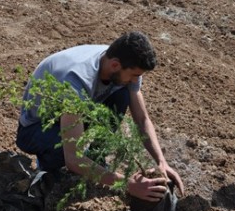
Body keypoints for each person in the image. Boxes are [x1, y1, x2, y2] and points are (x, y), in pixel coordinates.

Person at [16, 31, 184, 201]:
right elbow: (73, 158)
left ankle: (96, 158)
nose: (136, 81)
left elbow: (142, 119)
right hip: (36, 129)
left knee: (122, 95)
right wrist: (127, 184)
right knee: (63, 153)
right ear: (115, 65)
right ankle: (48, 168)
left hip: (74, 113)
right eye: (134, 75)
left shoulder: (122, 62)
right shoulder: (77, 79)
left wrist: (162, 162)